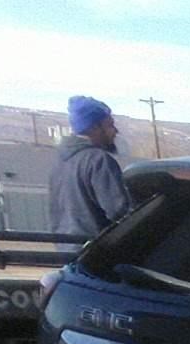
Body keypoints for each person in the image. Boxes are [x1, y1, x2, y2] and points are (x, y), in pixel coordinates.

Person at [49, 96, 133, 242]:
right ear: (94, 128)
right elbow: (119, 211)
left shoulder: (60, 162)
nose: (115, 131)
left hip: (65, 250)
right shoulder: (98, 160)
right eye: (110, 125)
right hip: (94, 254)